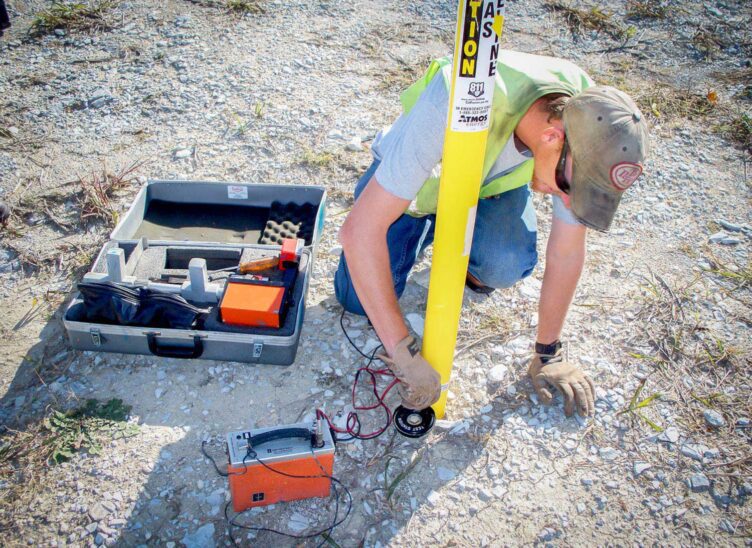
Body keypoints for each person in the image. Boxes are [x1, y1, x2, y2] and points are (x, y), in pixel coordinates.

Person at [334, 50, 650, 417]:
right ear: (551, 136)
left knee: (506, 262)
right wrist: (403, 353)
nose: (567, 200)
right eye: (569, 188)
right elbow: (359, 233)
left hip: (486, 187)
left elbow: (567, 249)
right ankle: (425, 229)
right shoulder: (456, 96)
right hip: (415, 191)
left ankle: (466, 252)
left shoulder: (593, 121)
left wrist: (549, 352)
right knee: (357, 298)